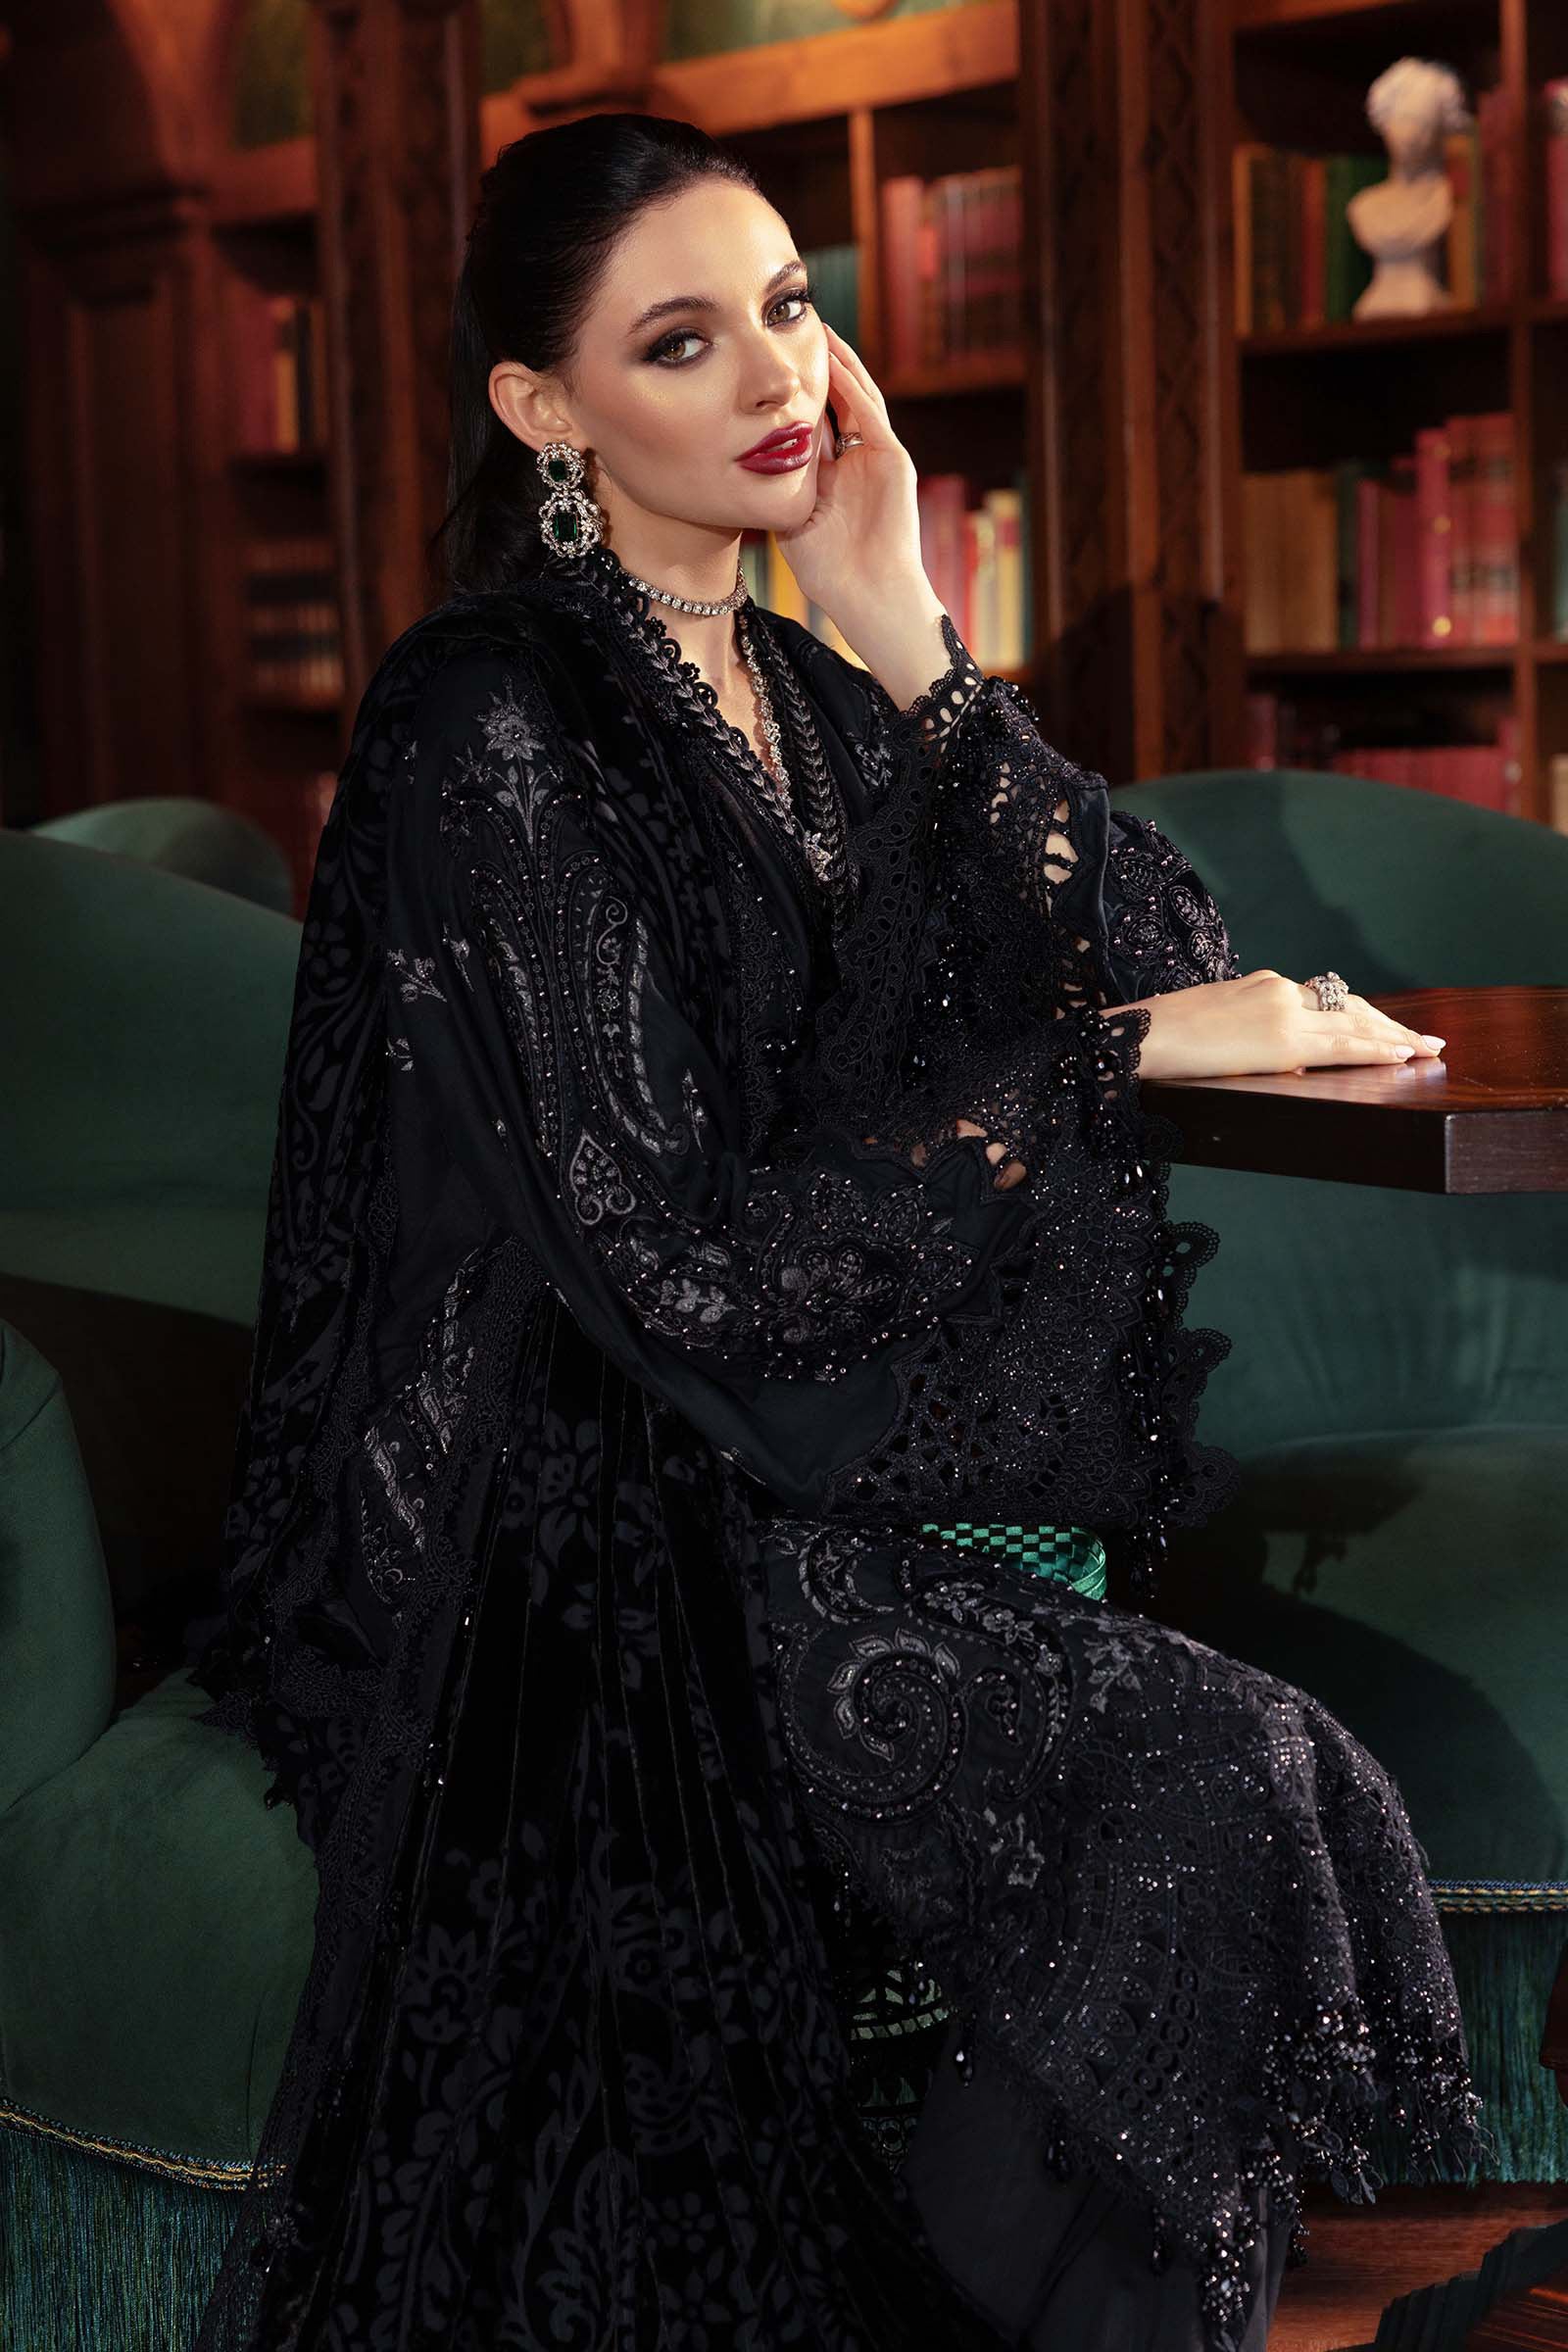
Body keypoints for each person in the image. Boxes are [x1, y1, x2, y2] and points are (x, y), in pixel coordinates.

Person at [181, 110, 1493, 2352]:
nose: (780, 373)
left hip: (782, 1456)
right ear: (544, 407)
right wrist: (1095, 1067)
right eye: (682, 341)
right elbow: (672, 1262)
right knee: (1226, 1784)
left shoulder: (805, 690)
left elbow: (1174, 961)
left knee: (1248, 1786)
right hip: (561, 1509)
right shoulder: (482, 714)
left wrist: (904, 629)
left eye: (790, 306)